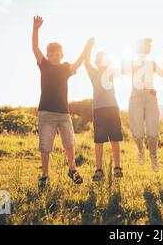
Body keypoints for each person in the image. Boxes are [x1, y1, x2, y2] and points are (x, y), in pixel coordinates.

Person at [32, 15, 86, 189]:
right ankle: (45, 176)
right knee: (46, 146)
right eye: (51, 54)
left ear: (62, 55)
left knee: (69, 144)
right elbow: (34, 47)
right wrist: (36, 29)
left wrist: (87, 48)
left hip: (63, 114)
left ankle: (72, 169)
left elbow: (78, 63)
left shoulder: (65, 68)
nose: (55, 56)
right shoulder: (44, 65)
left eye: (57, 54)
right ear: (48, 56)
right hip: (46, 113)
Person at [124, 38, 163, 172]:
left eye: (148, 46)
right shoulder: (131, 64)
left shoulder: (152, 64)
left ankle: (154, 157)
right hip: (135, 97)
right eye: (145, 45)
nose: (147, 48)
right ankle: (141, 150)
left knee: (153, 133)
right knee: (137, 134)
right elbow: (118, 71)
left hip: (150, 97)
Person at [83, 38, 124, 182]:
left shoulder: (111, 72)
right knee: (99, 141)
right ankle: (99, 170)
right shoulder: (93, 72)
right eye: (100, 59)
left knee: (115, 139)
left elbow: (125, 69)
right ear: (97, 62)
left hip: (112, 108)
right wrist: (88, 46)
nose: (102, 61)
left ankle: (117, 168)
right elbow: (86, 61)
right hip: (99, 110)